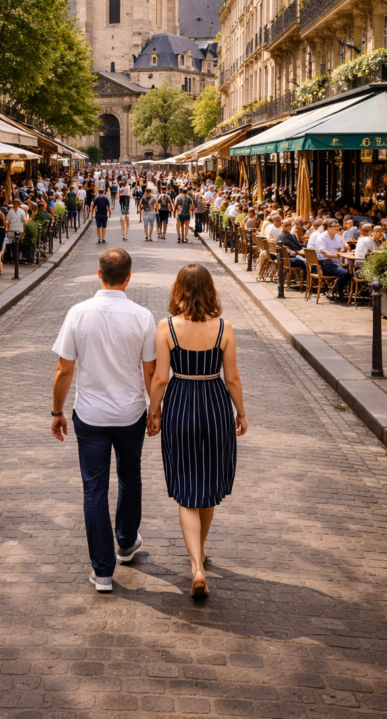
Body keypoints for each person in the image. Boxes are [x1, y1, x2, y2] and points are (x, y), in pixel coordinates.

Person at [50, 248, 157, 593]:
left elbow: (64, 369)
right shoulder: (142, 316)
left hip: (91, 414)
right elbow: (151, 371)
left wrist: (57, 411)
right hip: (129, 413)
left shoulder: (78, 313)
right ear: (129, 277)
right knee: (130, 475)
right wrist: (154, 409)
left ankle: (103, 571)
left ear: (99, 274)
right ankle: (126, 541)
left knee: (94, 488)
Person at [147, 264, 247, 598]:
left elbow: (160, 378)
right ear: (210, 290)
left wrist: (154, 411)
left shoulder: (167, 327)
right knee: (208, 484)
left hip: (180, 403)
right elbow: (232, 377)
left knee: (187, 487)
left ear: (178, 289)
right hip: (215, 404)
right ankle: (199, 553)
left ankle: (196, 566)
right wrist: (241, 412)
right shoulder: (224, 327)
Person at [316, 219, 350, 300]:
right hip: (326, 264)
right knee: (344, 273)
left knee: (351, 272)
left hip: (336, 263)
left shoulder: (337, 237)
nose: (337, 228)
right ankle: (337, 288)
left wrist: (344, 245)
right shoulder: (322, 237)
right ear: (327, 227)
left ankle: (338, 289)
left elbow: (344, 248)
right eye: (334, 227)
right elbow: (325, 253)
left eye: (338, 226)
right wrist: (337, 256)